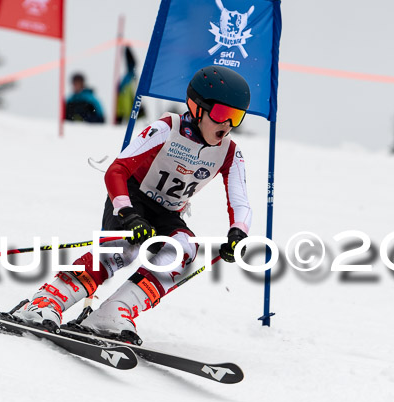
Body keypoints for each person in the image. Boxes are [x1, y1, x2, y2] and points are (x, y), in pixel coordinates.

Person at [15, 65, 252, 345]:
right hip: (132, 197)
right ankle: (45, 302)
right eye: (222, 114)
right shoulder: (166, 129)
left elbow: (240, 200)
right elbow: (116, 172)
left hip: (168, 212)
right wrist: (127, 213)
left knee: (185, 249)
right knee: (123, 249)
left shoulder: (229, 152)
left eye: (236, 117)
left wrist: (238, 233)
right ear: (197, 107)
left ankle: (113, 313)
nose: (227, 125)